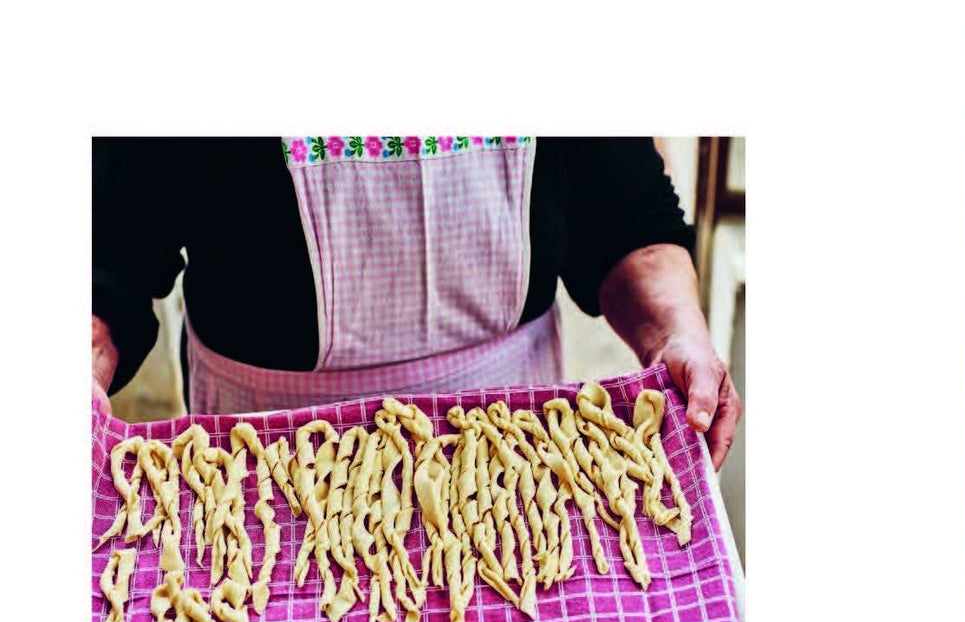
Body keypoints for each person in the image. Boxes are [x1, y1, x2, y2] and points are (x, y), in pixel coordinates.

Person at [90, 136, 739, 467]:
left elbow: (625, 217)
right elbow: (106, 247)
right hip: (266, 463)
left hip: (509, 454)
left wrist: (676, 334)